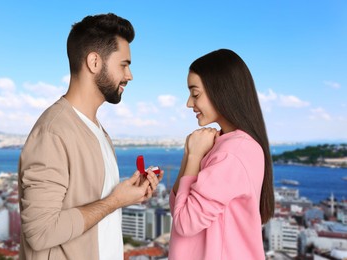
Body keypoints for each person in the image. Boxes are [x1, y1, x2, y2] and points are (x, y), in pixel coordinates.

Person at [18, 13, 163, 260]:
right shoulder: (54, 132)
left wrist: (128, 194)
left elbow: (97, 206)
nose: (129, 75)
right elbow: (40, 231)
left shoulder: (97, 130)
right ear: (95, 62)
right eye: (124, 65)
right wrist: (114, 201)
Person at [169, 49, 274, 259]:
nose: (189, 103)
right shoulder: (223, 144)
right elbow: (177, 206)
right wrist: (191, 153)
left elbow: (184, 223)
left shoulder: (232, 152)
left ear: (221, 91)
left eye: (195, 93)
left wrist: (194, 157)